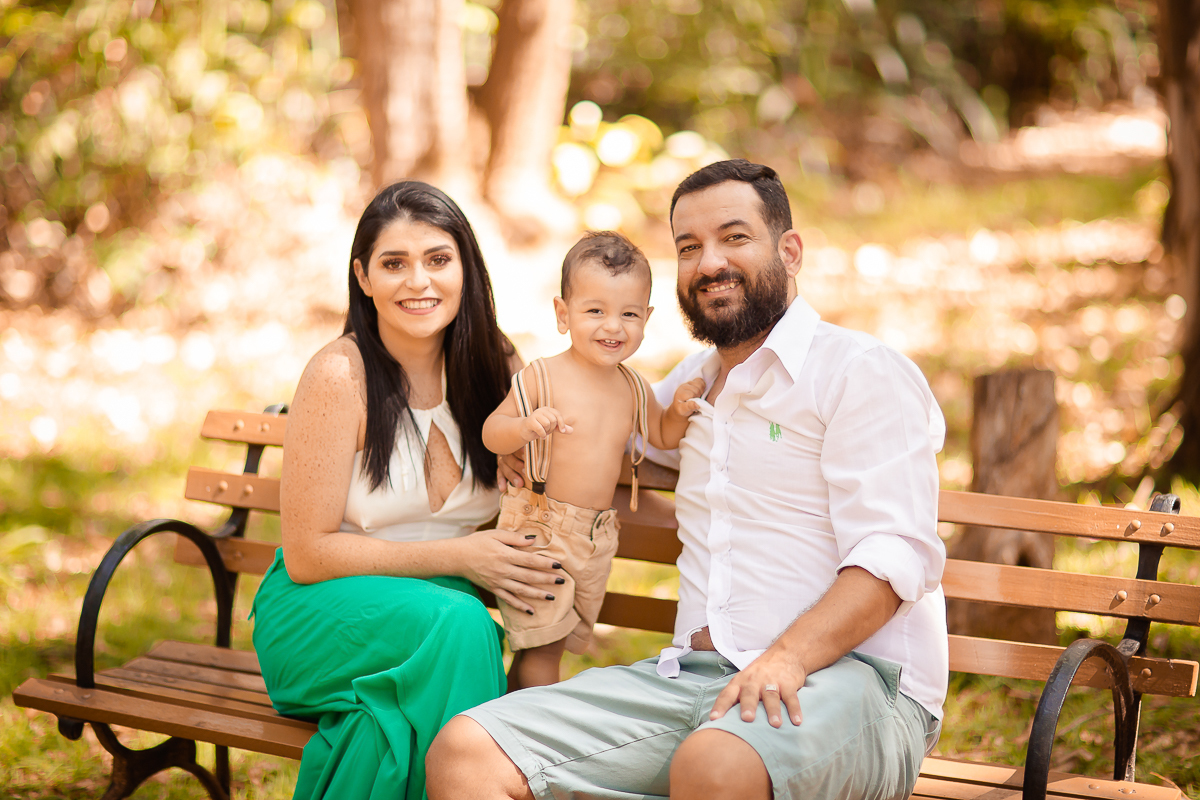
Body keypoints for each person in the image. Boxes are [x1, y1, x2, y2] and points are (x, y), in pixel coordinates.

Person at [425, 159, 948, 800]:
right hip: (693, 680)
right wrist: (525, 445)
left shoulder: (859, 372)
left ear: (790, 251)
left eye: (734, 237)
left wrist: (785, 657)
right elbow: (611, 438)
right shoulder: (691, 387)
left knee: (713, 763)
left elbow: (893, 556)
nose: (708, 264)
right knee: (466, 751)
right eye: (689, 248)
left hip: (852, 681)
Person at [249, 181, 562, 800]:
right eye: (395, 264)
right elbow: (309, 556)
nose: (418, 282)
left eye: (438, 260)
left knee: (380, 722)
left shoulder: (497, 367)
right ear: (363, 277)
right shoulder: (340, 374)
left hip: (436, 616)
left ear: (466, 268)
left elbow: (542, 495)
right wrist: (460, 558)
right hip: (322, 615)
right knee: (463, 625)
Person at [482, 231, 702, 689]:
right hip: (539, 528)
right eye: (595, 311)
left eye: (629, 314)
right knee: (542, 649)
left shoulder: (634, 387)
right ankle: (531, 742)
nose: (613, 327)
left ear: (647, 318)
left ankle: (498, 724)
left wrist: (679, 410)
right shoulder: (541, 376)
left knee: (549, 643)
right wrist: (522, 429)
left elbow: (660, 432)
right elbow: (491, 433)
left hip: (595, 536)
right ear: (564, 315)